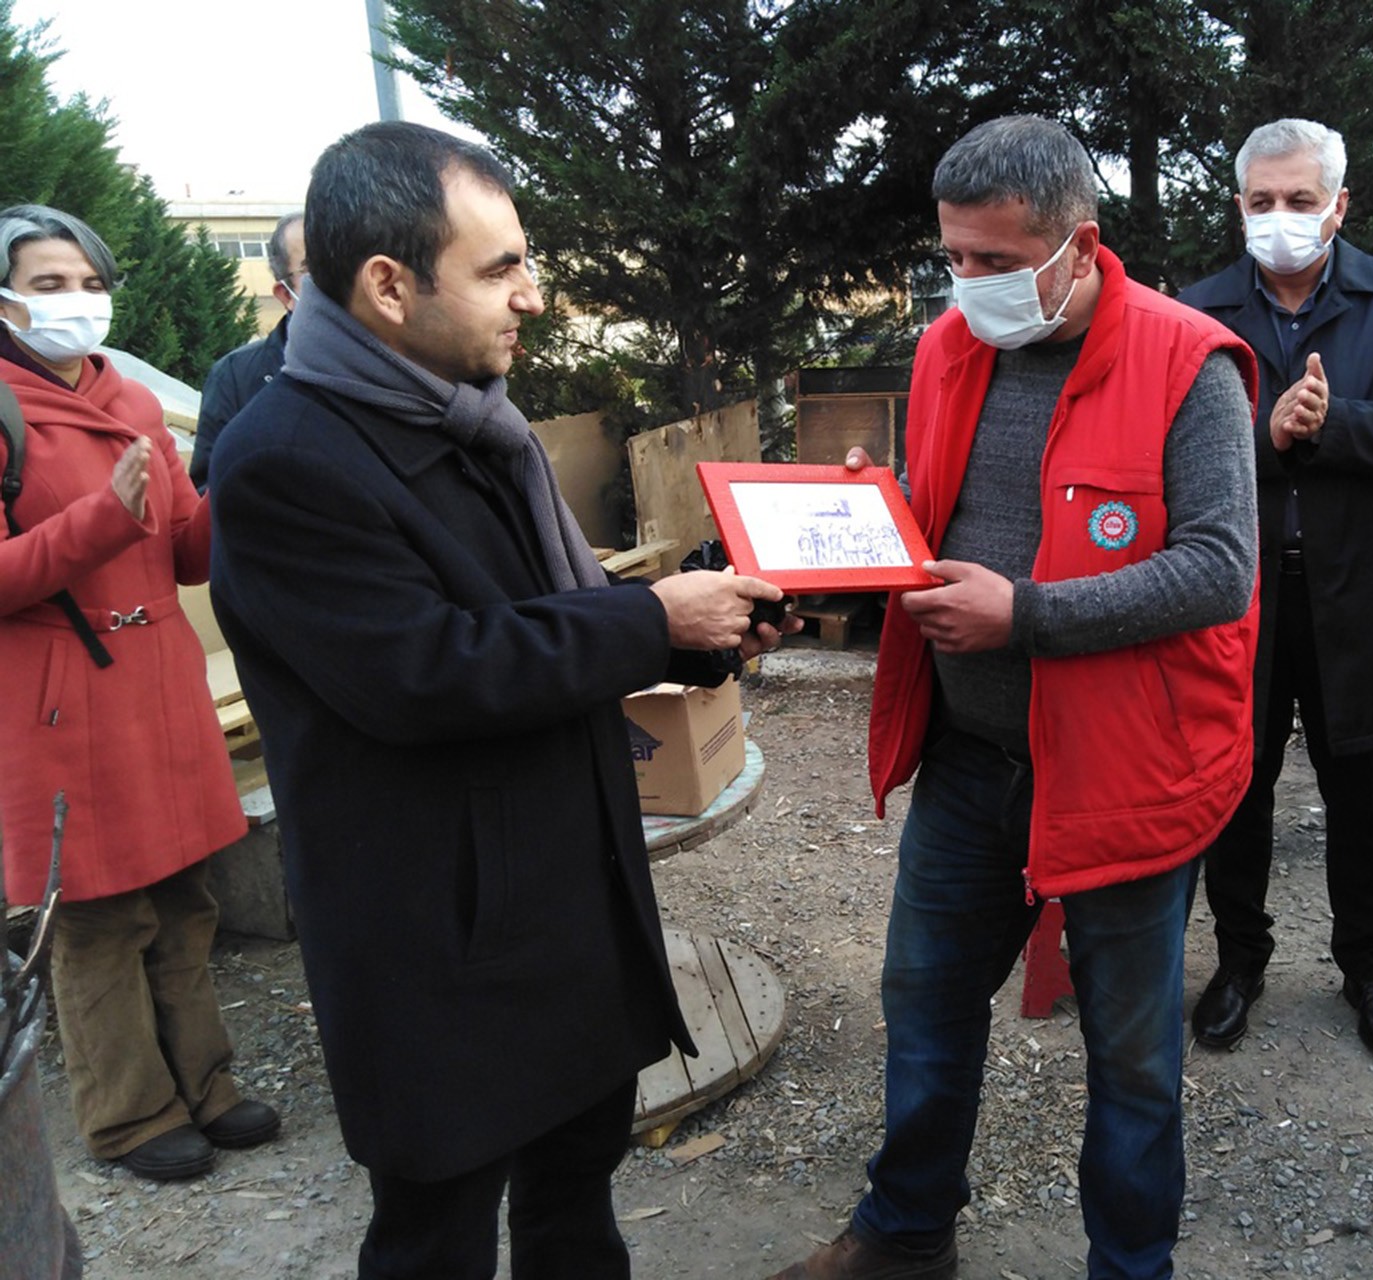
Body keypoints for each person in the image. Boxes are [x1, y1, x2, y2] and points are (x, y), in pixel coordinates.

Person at [207, 123, 793, 1279]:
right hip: (439, 945)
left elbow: (543, 629)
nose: (532, 296)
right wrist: (651, 619)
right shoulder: (286, 456)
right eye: (500, 268)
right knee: (439, 1238)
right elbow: (427, 670)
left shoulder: (475, 419)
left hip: (566, 908)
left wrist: (712, 632)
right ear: (387, 285)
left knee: (577, 1207)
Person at [766, 116, 1258, 1280]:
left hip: (1125, 771)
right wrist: (855, 528)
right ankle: (905, 1231)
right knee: (926, 999)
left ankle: (1129, 1265)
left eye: (995, 261)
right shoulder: (949, 349)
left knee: (1131, 1056)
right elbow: (934, 511)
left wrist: (1025, 614)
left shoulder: (1191, 363)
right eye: (954, 258)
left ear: (1079, 245)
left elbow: (1220, 566)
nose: (968, 285)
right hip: (974, 754)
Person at [0, 204, 280, 1182]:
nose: (74, 301)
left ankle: (206, 1087)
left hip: (157, 689)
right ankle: (127, 1115)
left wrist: (238, 487)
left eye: (85, 280)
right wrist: (99, 521)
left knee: (183, 896)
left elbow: (189, 549)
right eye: (46, 283)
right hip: (58, 705)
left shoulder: (128, 398)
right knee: (96, 917)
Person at [1177, 118, 1373, 1059]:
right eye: (1262, 202)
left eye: (1301, 201)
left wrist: (1332, 424)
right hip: (1238, 593)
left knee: (1361, 796)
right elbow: (1171, 449)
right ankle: (1239, 960)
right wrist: (1271, 433)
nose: (1281, 219)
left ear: (1340, 205)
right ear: (1239, 207)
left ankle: (1368, 969)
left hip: (1358, 587)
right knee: (1235, 787)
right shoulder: (1201, 310)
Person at [189, 212, 304, 491]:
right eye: (318, 269)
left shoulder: (402, 360)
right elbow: (208, 490)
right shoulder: (235, 376)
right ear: (285, 294)